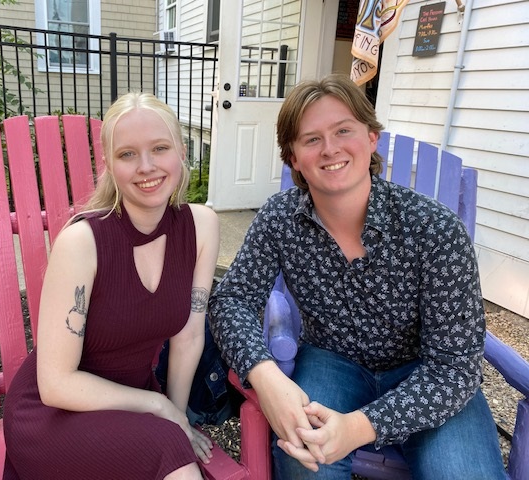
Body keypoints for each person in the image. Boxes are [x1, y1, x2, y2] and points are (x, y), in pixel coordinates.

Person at [208, 74, 506, 479]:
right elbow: (232, 298)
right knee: (304, 459)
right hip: (331, 360)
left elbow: (455, 368)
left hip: (424, 372)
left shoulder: (434, 229)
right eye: (311, 139)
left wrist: (356, 428)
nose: (330, 148)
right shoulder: (279, 219)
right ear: (293, 158)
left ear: (371, 138)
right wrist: (265, 375)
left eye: (343, 130)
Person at [3, 92, 220, 480]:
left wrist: (177, 416)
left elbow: (189, 337)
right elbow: (55, 384)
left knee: (169, 445)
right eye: (127, 154)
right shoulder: (82, 243)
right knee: (168, 450)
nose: (146, 166)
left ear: (181, 152)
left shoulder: (201, 226)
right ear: (110, 164)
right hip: (54, 415)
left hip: (130, 403)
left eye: (160, 148)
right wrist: (157, 407)